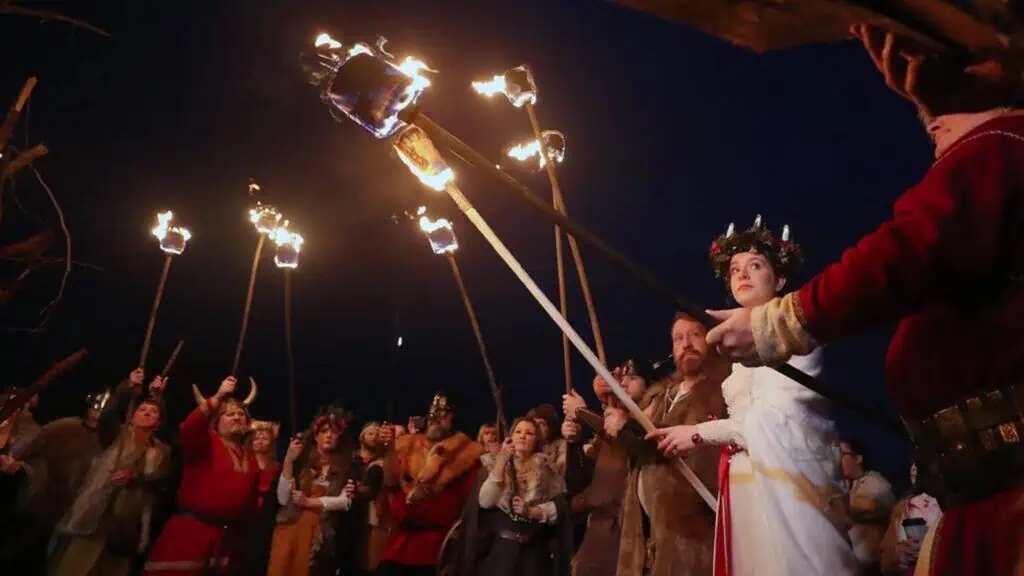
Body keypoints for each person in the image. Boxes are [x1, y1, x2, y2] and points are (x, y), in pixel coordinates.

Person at [705, 21, 1024, 575]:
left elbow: (909, 250)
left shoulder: (1001, 148)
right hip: (984, 485)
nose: (929, 121)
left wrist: (775, 324)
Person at [662, 218, 856, 575]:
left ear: (779, 280)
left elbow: (776, 421)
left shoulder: (795, 338)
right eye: (735, 269)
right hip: (743, 486)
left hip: (786, 486)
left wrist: (698, 434)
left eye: (755, 266)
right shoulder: (736, 356)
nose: (742, 274)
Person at [611, 314, 728, 576]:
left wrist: (625, 428)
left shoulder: (720, 394)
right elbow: (636, 442)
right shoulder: (662, 397)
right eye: (678, 339)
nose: (686, 343)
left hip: (690, 539)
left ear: (710, 340)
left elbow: (689, 457)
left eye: (695, 335)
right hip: (645, 535)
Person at [48, 372, 170, 576]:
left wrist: (135, 477)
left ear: (159, 422)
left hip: (127, 528)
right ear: (132, 417)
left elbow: (161, 480)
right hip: (95, 519)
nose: (147, 413)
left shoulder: (161, 451)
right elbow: (108, 415)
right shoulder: (117, 436)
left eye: (153, 412)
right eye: (142, 409)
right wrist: (128, 387)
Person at [144, 376, 260, 575]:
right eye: (229, 414)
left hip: (225, 540)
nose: (237, 417)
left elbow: (250, 502)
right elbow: (190, 428)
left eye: (241, 414)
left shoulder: (249, 456)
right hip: (191, 533)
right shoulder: (204, 442)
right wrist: (217, 397)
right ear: (216, 421)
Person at [376, 392, 483, 576]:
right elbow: (391, 481)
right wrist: (390, 447)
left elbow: (469, 507)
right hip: (399, 544)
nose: (435, 419)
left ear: (454, 417)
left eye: (443, 414)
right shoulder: (410, 445)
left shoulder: (468, 455)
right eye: (433, 413)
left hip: (435, 549)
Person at [560, 362, 650, 576]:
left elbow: (632, 441)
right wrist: (574, 442)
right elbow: (581, 480)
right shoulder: (609, 425)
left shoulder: (648, 419)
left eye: (634, 377)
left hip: (627, 530)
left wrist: (582, 412)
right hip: (598, 531)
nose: (624, 382)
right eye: (622, 377)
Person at [459, 417, 573, 576]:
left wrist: (532, 512)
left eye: (529, 433)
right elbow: (485, 502)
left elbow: (560, 507)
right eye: (518, 432)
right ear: (511, 437)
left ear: (537, 440)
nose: (522, 436)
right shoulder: (492, 465)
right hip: (502, 552)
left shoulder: (547, 470)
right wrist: (501, 461)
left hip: (533, 554)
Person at [267, 407, 356, 576]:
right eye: (324, 431)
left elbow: (345, 502)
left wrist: (308, 502)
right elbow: (283, 498)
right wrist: (289, 459)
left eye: (334, 432)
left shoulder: (347, 467)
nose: (329, 435)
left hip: (319, 533)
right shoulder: (301, 462)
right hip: (290, 529)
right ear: (316, 436)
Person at [842, 439, 897, 571]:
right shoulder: (845, 486)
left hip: (870, 568)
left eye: (842, 454)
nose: (837, 459)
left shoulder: (875, 483)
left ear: (858, 459)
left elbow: (875, 507)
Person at [880, 463, 943, 576]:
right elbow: (885, 563)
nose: (913, 468)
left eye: (918, 462)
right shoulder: (903, 508)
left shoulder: (957, 508)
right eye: (912, 463)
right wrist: (899, 555)